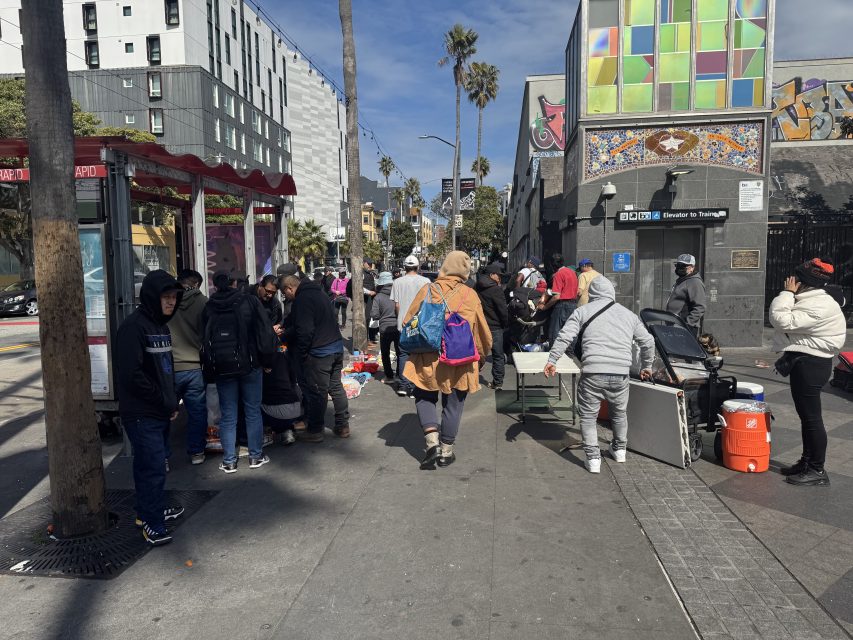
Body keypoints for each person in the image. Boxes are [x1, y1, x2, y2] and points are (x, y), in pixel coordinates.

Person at [545, 276, 655, 474]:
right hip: (621, 373)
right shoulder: (628, 315)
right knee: (619, 413)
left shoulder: (583, 311)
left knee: (588, 416)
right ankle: (620, 449)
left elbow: (565, 336)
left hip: (593, 372)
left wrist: (552, 360)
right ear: (612, 293)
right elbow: (648, 341)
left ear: (592, 293)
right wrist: (647, 366)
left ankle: (593, 458)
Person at [114, 270, 186, 546]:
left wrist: (172, 399)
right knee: (153, 467)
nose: (170, 303)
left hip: (161, 410)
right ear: (152, 297)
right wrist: (163, 400)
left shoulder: (162, 328)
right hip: (142, 414)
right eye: (166, 297)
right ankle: (152, 523)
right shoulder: (134, 328)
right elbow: (131, 375)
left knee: (153, 465)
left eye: (173, 298)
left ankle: (149, 510)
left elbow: (164, 369)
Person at [402, 251, 492, 470]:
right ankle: (446, 452)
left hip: (428, 357)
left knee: (425, 397)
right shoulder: (470, 295)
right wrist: (481, 355)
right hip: (459, 359)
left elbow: (408, 320)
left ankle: (431, 441)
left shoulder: (428, 289)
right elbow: (482, 332)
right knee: (454, 404)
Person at [769, 258, 846, 487]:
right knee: (807, 418)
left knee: (812, 419)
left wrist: (786, 293)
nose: (790, 281)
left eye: (795, 279)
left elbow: (781, 320)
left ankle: (817, 469)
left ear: (804, 282)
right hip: (806, 362)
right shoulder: (813, 300)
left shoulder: (819, 304)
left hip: (811, 365)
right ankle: (806, 462)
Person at [203, 270, 277, 473]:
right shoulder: (250, 302)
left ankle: (229, 460)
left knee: (228, 414)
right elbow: (264, 333)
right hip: (250, 364)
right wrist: (267, 360)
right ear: (235, 283)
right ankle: (255, 456)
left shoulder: (210, 306)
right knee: (253, 410)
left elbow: (203, 336)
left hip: (222, 367)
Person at [280, 275, 350, 441]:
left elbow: (305, 331)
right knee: (336, 387)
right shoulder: (319, 293)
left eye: (285, 293)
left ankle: (316, 430)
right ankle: (342, 425)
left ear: (290, 288)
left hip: (320, 351)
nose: (286, 297)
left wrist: (303, 354)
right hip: (335, 346)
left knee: (318, 391)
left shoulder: (302, 299)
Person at [170, 269, 208, 465]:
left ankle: (163, 457)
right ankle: (197, 452)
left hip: (170, 366)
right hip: (193, 365)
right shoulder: (202, 302)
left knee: (165, 412)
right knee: (197, 412)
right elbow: (206, 333)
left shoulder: (169, 299)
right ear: (196, 283)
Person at [390, 255, 430, 397]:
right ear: (418, 267)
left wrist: (400, 318)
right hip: (419, 325)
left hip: (403, 323)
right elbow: (427, 305)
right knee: (418, 355)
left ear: (404, 267)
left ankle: (403, 385)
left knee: (403, 355)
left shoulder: (397, 282)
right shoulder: (426, 281)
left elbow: (397, 305)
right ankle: (414, 387)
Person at [476, 262, 509, 390]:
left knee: (477, 353)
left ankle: (472, 379)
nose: (500, 278)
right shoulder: (496, 289)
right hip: (495, 327)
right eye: (498, 275)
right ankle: (497, 382)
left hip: (479, 326)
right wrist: (505, 324)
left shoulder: (476, 287)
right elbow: (502, 310)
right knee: (498, 355)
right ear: (492, 275)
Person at [537, 253, 578, 345]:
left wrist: (545, 307)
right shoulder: (572, 272)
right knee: (570, 332)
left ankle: (554, 354)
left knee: (554, 333)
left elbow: (556, 296)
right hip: (573, 305)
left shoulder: (558, 275)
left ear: (552, 265)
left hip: (562, 305)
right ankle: (570, 354)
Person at [371, 271, 401, 384]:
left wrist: (380, 315)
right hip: (398, 327)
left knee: (385, 352)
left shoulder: (378, 297)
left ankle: (389, 376)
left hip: (384, 328)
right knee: (400, 353)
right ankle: (399, 374)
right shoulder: (398, 294)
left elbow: (374, 315)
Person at [666, 254, 706, 334]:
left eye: (683, 266)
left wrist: (686, 324)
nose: (679, 268)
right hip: (675, 325)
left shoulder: (695, 282)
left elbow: (700, 307)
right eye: (677, 265)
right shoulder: (682, 280)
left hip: (684, 328)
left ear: (692, 267)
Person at [347, 258, 377, 344]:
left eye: (371, 264)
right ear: (364, 263)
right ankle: (361, 341)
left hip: (369, 300)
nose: (370, 266)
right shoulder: (360, 273)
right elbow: (357, 285)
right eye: (369, 264)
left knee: (367, 319)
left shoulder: (370, 273)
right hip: (362, 300)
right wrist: (369, 292)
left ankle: (366, 339)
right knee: (361, 320)